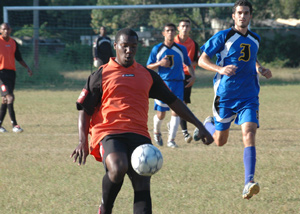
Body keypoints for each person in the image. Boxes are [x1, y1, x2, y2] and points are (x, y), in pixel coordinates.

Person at [70, 28, 213, 214]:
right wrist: (82, 142)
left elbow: (174, 101)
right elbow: (85, 108)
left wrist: (199, 125)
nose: (129, 50)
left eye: (133, 46)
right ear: (115, 46)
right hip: (109, 133)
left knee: (142, 180)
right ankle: (105, 208)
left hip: (139, 135)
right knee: (118, 166)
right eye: (124, 46)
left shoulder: (147, 74)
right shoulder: (101, 74)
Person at [193, 0, 272, 200]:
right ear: (233, 16)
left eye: (246, 13)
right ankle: (208, 125)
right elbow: (202, 59)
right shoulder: (223, 36)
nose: (243, 16)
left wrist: (260, 69)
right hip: (226, 95)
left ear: (250, 16)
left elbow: (251, 58)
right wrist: (220, 69)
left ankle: (248, 183)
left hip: (249, 95)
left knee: (249, 133)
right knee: (220, 141)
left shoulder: (255, 38)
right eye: (239, 13)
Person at [146, 23, 196, 148]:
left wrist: (193, 76)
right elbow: (148, 66)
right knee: (161, 114)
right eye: (167, 30)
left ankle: (171, 140)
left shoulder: (181, 49)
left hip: (178, 83)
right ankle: (157, 131)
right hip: (162, 84)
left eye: (172, 30)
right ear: (163, 33)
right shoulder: (157, 49)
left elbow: (189, 64)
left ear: (175, 33)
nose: (170, 32)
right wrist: (160, 63)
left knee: (176, 112)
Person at [0, 23, 33, 133]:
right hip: (1, 75)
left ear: (11, 30)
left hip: (11, 74)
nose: (6, 30)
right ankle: (15, 125)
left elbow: (18, 57)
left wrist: (27, 67)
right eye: (4, 29)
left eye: (8, 28)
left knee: (5, 100)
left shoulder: (13, 43)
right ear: (0, 30)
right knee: (10, 97)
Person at [174, 19, 200, 144]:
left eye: (187, 26)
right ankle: (184, 131)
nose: (185, 28)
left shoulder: (193, 44)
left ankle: (178, 127)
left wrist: (188, 64)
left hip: (187, 76)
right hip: (173, 77)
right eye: (182, 26)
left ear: (190, 29)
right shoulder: (171, 42)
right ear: (178, 28)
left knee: (183, 105)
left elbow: (197, 61)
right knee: (177, 105)